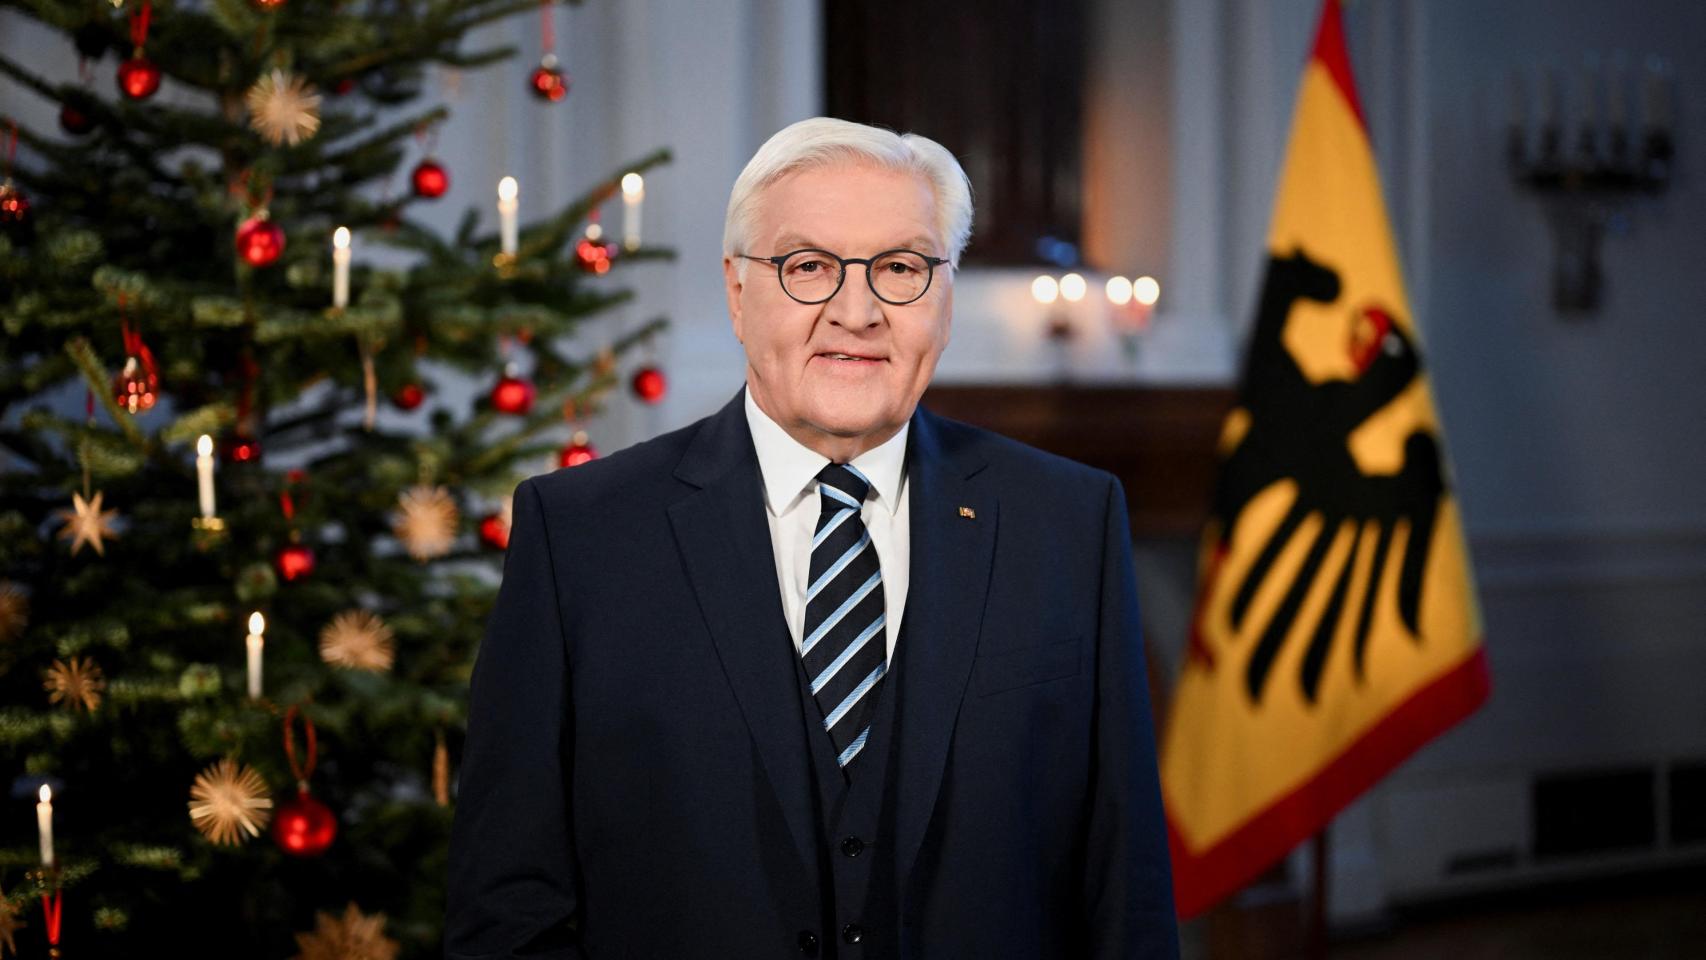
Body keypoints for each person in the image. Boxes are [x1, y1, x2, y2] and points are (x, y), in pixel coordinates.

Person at [446, 116, 1178, 959]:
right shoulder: (581, 536)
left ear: (943, 298)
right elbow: (507, 911)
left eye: (901, 268)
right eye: (809, 268)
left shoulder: (1070, 526)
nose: (858, 312)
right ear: (736, 291)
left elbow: (1126, 895)